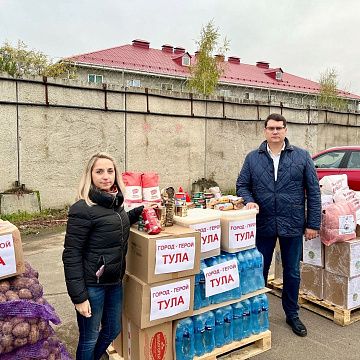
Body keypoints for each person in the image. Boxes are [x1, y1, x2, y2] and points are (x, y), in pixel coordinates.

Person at [236, 113, 321, 337]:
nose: (275, 132)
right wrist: (250, 200)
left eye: (279, 128)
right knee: (259, 270)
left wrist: (313, 223)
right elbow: (242, 185)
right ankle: (258, 313)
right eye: (271, 128)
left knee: (292, 272)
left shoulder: (301, 157)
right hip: (263, 223)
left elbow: (313, 192)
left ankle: (292, 314)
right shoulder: (252, 158)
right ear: (264, 130)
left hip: (292, 223)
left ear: (285, 130)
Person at [62, 152, 144, 359]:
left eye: (110, 171)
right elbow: (71, 254)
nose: (106, 176)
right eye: (99, 171)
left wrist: (142, 211)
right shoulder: (82, 208)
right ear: (90, 175)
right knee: (89, 337)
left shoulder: (115, 204)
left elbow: (118, 222)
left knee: (112, 330)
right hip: (92, 286)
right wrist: (79, 297)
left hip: (114, 281)